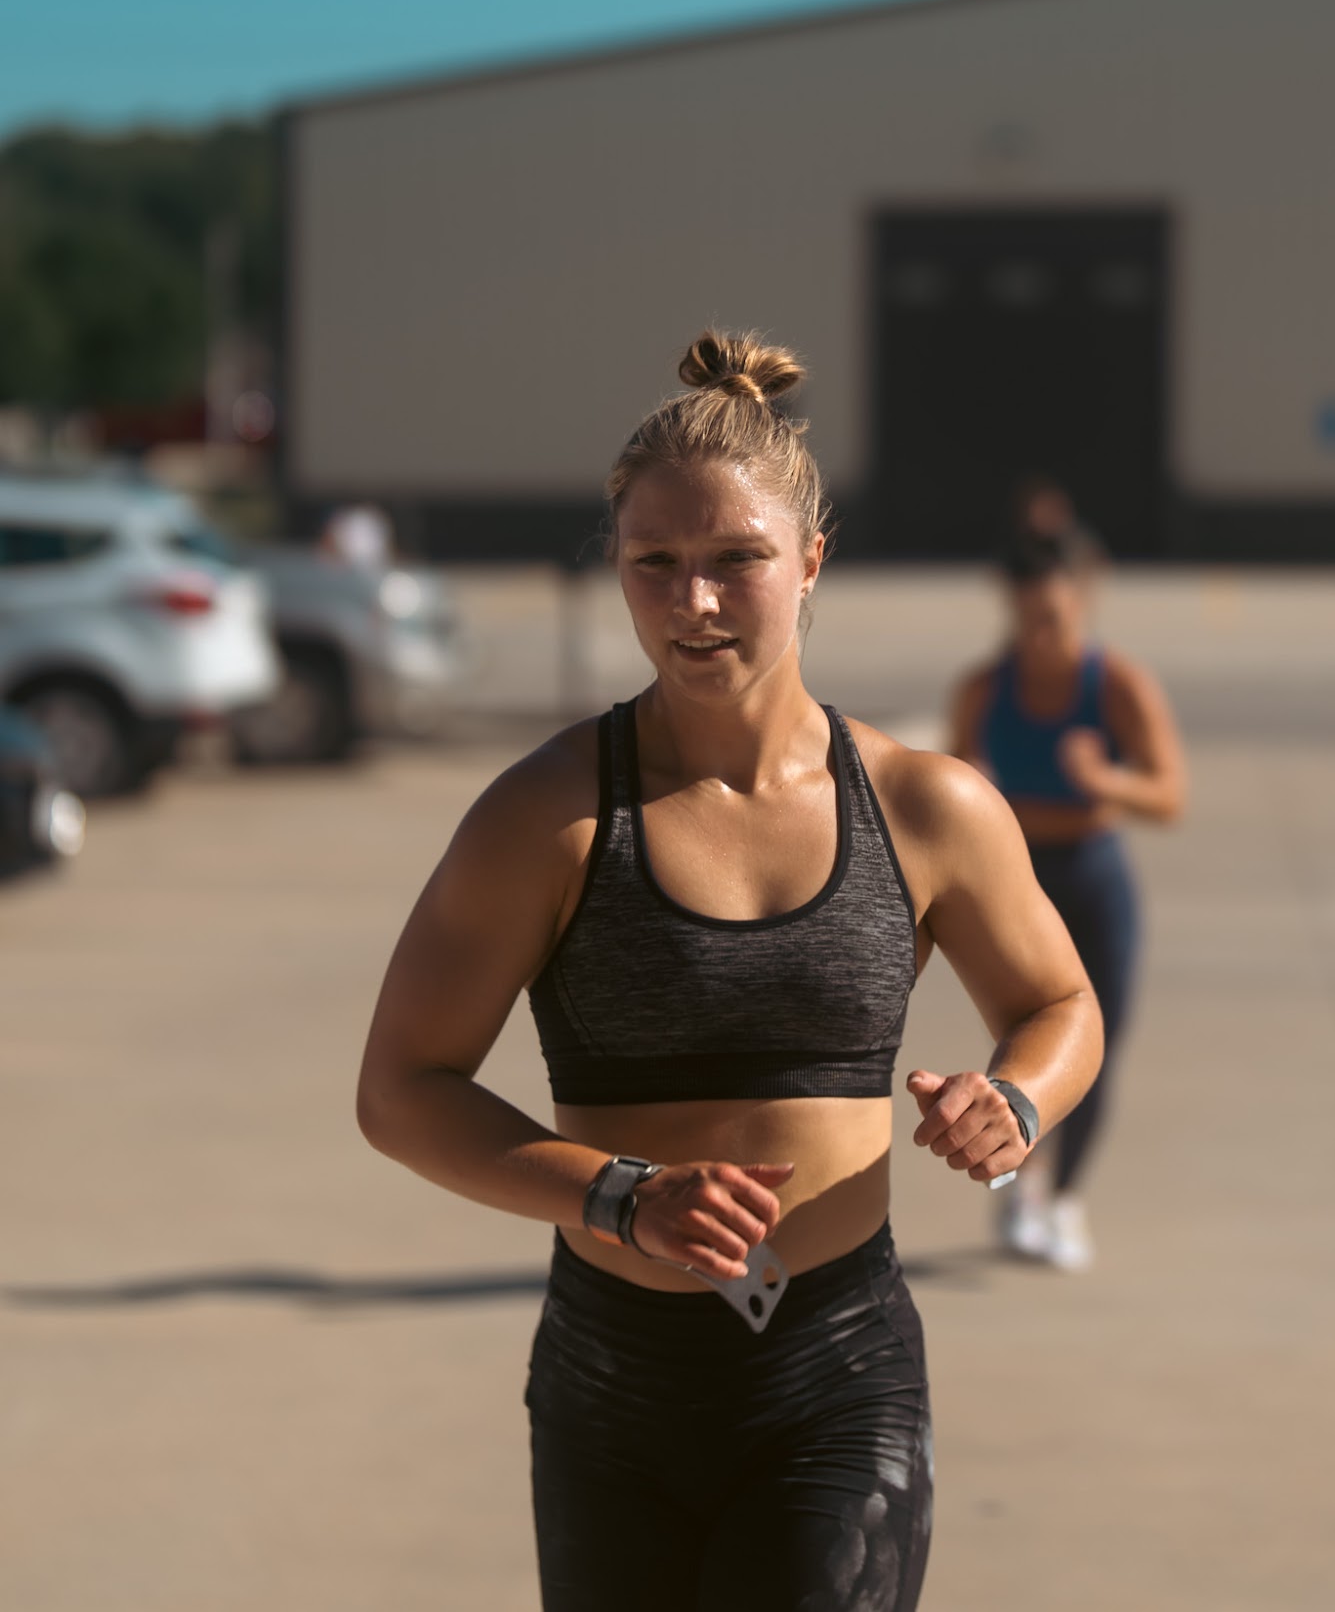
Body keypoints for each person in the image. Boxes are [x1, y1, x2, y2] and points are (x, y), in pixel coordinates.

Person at [356, 331, 1102, 1612]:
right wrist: (619, 1196)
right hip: (612, 1391)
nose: (692, 603)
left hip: (839, 1377)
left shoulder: (924, 806)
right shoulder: (546, 818)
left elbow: (1058, 1003)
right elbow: (401, 1088)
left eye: (735, 560)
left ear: (809, 560)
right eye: (654, 563)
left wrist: (1016, 1099)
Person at [946, 522, 1185, 1271]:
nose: (1039, 635)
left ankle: (1066, 1196)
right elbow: (946, 792)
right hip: (1018, 878)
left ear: (1080, 603)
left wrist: (1106, 780)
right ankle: (1021, 1186)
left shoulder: (1115, 684)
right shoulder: (985, 688)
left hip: (1093, 875)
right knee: (1022, 1042)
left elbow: (1169, 795)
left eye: (1052, 618)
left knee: (1097, 1045)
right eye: (1026, 619)